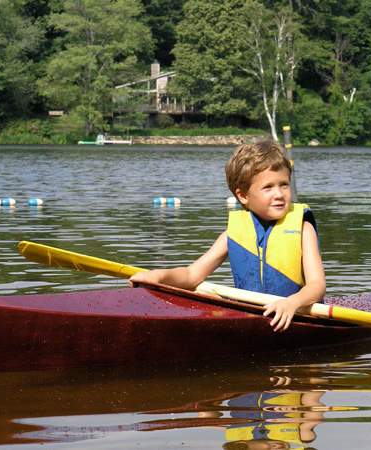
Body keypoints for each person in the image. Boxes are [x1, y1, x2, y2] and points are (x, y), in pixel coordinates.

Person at [129, 140, 325, 331]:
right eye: (268, 187)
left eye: (284, 185)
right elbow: (191, 276)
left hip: (297, 316)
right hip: (252, 316)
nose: (279, 194)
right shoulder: (233, 234)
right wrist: (157, 276)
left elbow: (317, 286)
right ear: (243, 196)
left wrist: (292, 303)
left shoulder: (303, 229)